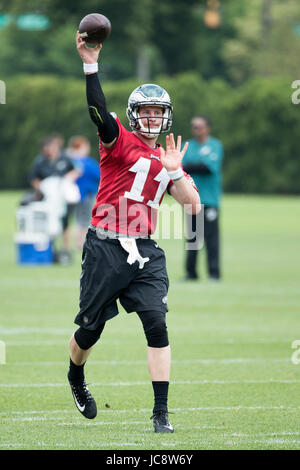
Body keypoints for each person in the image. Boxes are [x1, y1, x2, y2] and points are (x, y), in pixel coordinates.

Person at [67, 31, 200, 434]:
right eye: (146, 111)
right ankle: (76, 375)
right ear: (133, 114)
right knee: (89, 330)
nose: (153, 118)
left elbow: (193, 206)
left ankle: (161, 414)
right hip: (104, 246)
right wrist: (90, 64)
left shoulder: (169, 156)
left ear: (167, 116)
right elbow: (97, 110)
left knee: (156, 324)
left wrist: (174, 170)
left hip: (144, 250)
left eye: (159, 112)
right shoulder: (118, 141)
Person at [182, 115, 224, 281]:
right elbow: (179, 167)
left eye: (199, 126)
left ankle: (214, 273)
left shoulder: (215, 145)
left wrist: (190, 166)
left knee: (211, 238)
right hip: (191, 199)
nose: (196, 129)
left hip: (210, 200)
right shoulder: (188, 146)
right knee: (193, 238)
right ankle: (191, 273)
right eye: (194, 126)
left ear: (207, 128)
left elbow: (208, 168)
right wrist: (193, 165)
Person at [29, 134, 79, 260]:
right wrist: (44, 188)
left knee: (65, 223)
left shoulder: (65, 159)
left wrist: (68, 180)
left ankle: (65, 249)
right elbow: (34, 179)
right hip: (48, 199)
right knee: (49, 223)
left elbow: (75, 171)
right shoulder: (40, 162)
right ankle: (50, 248)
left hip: (63, 198)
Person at [66, 136, 100, 250]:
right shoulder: (86, 162)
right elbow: (99, 175)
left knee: (76, 219)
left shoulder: (68, 161)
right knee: (84, 220)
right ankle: (81, 243)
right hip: (86, 194)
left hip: (70, 196)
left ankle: (77, 243)